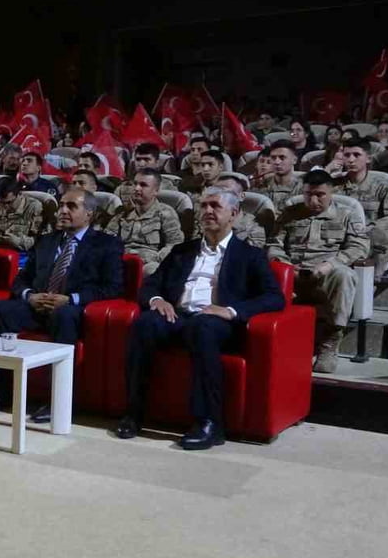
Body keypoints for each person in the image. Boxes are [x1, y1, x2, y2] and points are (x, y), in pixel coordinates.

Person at [117, 186, 284, 448]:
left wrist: (229, 311)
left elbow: (274, 297)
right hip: (178, 315)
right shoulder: (183, 250)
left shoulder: (249, 255)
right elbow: (151, 285)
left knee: (202, 329)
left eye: (215, 206)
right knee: (144, 324)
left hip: (215, 322)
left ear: (234, 214)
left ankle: (209, 422)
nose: (207, 211)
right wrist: (157, 300)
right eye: (204, 206)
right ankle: (134, 412)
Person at [0, 189, 123, 421]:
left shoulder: (107, 245)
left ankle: (56, 398)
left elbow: (112, 287)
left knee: (63, 316)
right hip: (37, 305)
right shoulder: (46, 241)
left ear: (89, 213)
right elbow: (21, 279)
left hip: (73, 308)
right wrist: (29, 296)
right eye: (61, 205)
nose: (63, 211)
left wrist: (72, 299)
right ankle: (0, 389)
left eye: (71, 206)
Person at [268, 170, 370, 373]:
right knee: (265, 269)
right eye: (308, 194)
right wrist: (286, 265)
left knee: (344, 275)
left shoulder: (346, 214)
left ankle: (329, 342)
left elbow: (359, 246)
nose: (313, 200)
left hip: (326, 275)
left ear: (331, 192)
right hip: (293, 273)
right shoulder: (290, 214)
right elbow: (274, 244)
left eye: (320, 195)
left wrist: (332, 264)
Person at [334, 137, 388, 275]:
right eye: (347, 155)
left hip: (369, 237)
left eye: (356, 155)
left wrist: (372, 226)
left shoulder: (383, 182)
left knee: (379, 232)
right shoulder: (334, 183)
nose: (351, 160)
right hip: (340, 235)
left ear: (368, 158)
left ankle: (373, 276)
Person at [105, 169, 184, 274]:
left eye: (143, 185)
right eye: (135, 184)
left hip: (148, 263)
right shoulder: (124, 213)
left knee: (152, 271)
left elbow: (174, 244)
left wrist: (157, 259)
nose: (137, 188)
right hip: (122, 260)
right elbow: (107, 239)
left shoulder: (165, 212)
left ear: (156, 190)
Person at [190, 175, 266, 248]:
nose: (221, 195)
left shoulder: (253, 227)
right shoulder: (204, 217)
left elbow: (250, 255)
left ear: (241, 196)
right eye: (217, 190)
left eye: (228, 192)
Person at [0, 180, 43, 252]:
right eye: (1, 202)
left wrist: (18, 241)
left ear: (19, 195)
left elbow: (39, 240)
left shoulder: (33, 207)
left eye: (9, 202)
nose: (5, 207)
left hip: (21, 252)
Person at [256, 140, 304, 211]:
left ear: (294, 160)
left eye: (282, 158)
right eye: (273, 158)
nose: (277, 162)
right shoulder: (260, 185)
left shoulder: (303, 188)